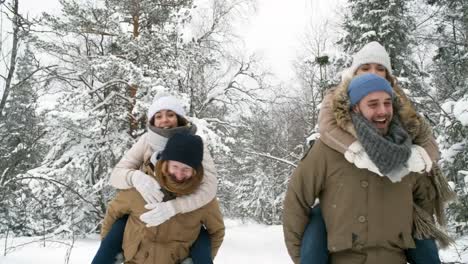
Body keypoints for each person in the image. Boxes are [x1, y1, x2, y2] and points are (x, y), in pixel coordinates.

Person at [298, 42, 455, 264]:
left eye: (380, 68)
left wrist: (417, 157)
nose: (374, 73)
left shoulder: (397, 100)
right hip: (343, 183)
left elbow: (423, 134)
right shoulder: (338, 96)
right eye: (365, 68)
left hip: (394, 189)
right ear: (354, 72)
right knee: (319, 220)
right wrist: (357, 151)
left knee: (421, 237)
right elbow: (327, 128)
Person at [92, 93, 218, 264]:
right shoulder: (147, 140)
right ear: (152, 121)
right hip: (146, 200)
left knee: (199, 233)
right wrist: (135, 178)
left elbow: (209, 187)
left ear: (180, 118)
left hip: (184, 205)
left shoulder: (194, 144)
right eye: (158, 116)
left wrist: (175, 207)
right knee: (123, 220)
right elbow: (117, 174)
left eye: (170, 114)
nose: (164, 120)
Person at [100, 133, 225, 263]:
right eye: (175, 166)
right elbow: (112, 214)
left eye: (186, 169)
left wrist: (196, 260)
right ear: (166, 164)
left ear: (195, 171)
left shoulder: (202, 199)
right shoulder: (141, 187)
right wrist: (110, 251)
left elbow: (217, 231)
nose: (179, 174)